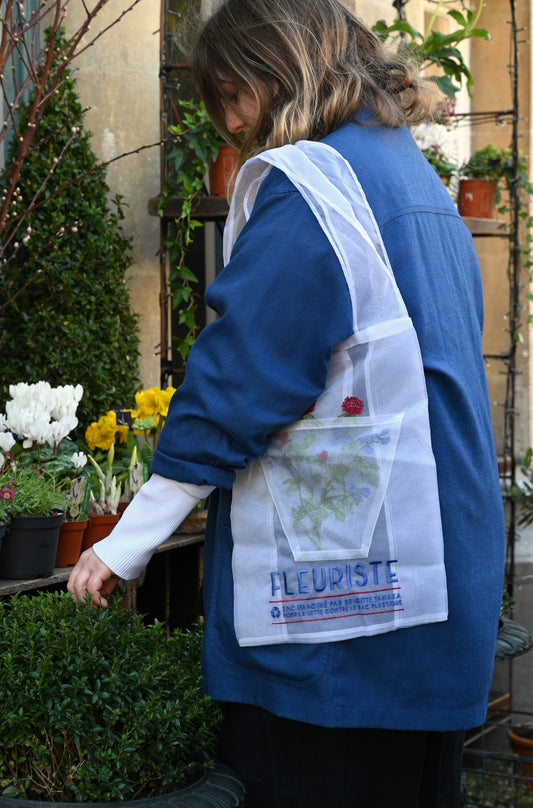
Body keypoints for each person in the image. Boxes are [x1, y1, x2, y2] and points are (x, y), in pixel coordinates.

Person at [68, 1, 505, 805]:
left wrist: (127, 541)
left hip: (342, 631)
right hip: (440, 585)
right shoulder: (407, 174)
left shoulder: (315, 186)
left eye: (234, 95)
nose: (232, 125)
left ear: (283, 68)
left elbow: (243, 374)